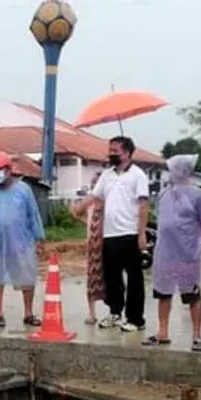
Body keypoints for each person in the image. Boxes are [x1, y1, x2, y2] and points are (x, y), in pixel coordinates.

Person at [74, 136, 151, 332]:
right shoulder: (107, 175)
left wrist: (141, 234)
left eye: (115, 151)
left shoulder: (138, 175)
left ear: (127, 153)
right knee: (111, 276)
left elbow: (143, 206)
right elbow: (95, 195)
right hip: (109, 234)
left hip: (129, 233)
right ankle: (115, 312)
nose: (111, 154)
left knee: (134, 277)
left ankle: (135, 319)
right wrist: (81, 206)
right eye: (110, 150)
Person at [144, 154, 201, 351]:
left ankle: (197, 336)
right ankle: (163, 332)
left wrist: (197, 242)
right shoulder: (164, 195)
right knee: (163, 293)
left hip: (188, 254)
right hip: (165, 253)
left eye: (173, 169)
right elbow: (161, 219)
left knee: (192, 295)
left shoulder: (199, 196)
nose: (170, 174)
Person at [0, 152, 45, 328]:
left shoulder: (24, 190)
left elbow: (33, 214)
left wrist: (39, 238)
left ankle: (28, 313)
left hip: (21, 242)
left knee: (26, 276)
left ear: (9, 170)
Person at [71, 172, 106, 325]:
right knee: (92, 278)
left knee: (112, 279)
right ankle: (92, 313)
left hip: (109, 242)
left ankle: (114, 312)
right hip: (93, 242)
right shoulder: (90, 202)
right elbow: (75, 211)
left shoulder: (110, 201)